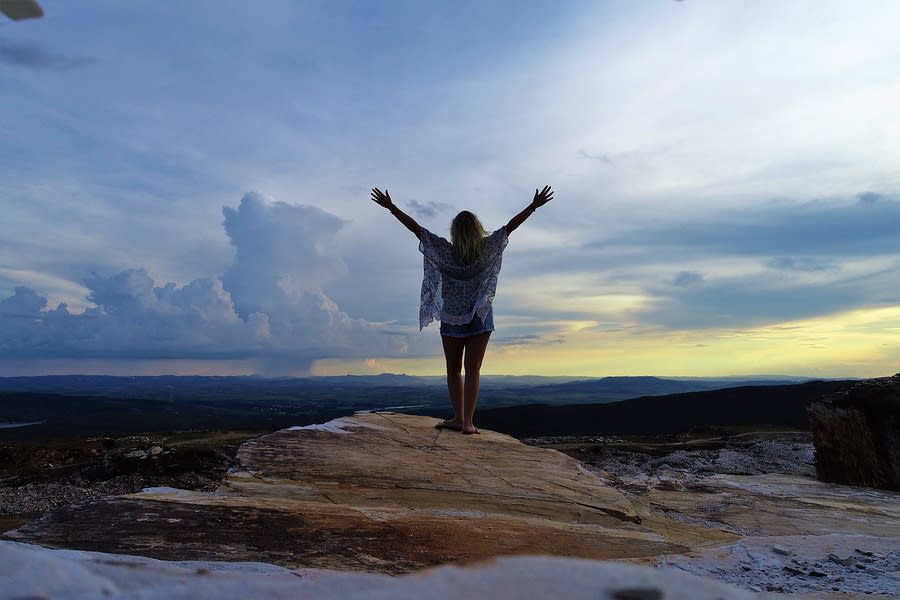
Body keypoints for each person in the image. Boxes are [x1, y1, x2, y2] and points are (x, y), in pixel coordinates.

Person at [371, 185, 553, 434]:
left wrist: (392, 208)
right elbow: (511, 227)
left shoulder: (445, 251)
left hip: (452, 316)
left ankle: (458, 418)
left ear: (455, 231)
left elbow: (417, 230)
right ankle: (468, 422)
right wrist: (533, 207)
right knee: (474, 369)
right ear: (478, 230)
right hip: (481, 315)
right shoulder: (487, 248)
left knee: (454, 370)